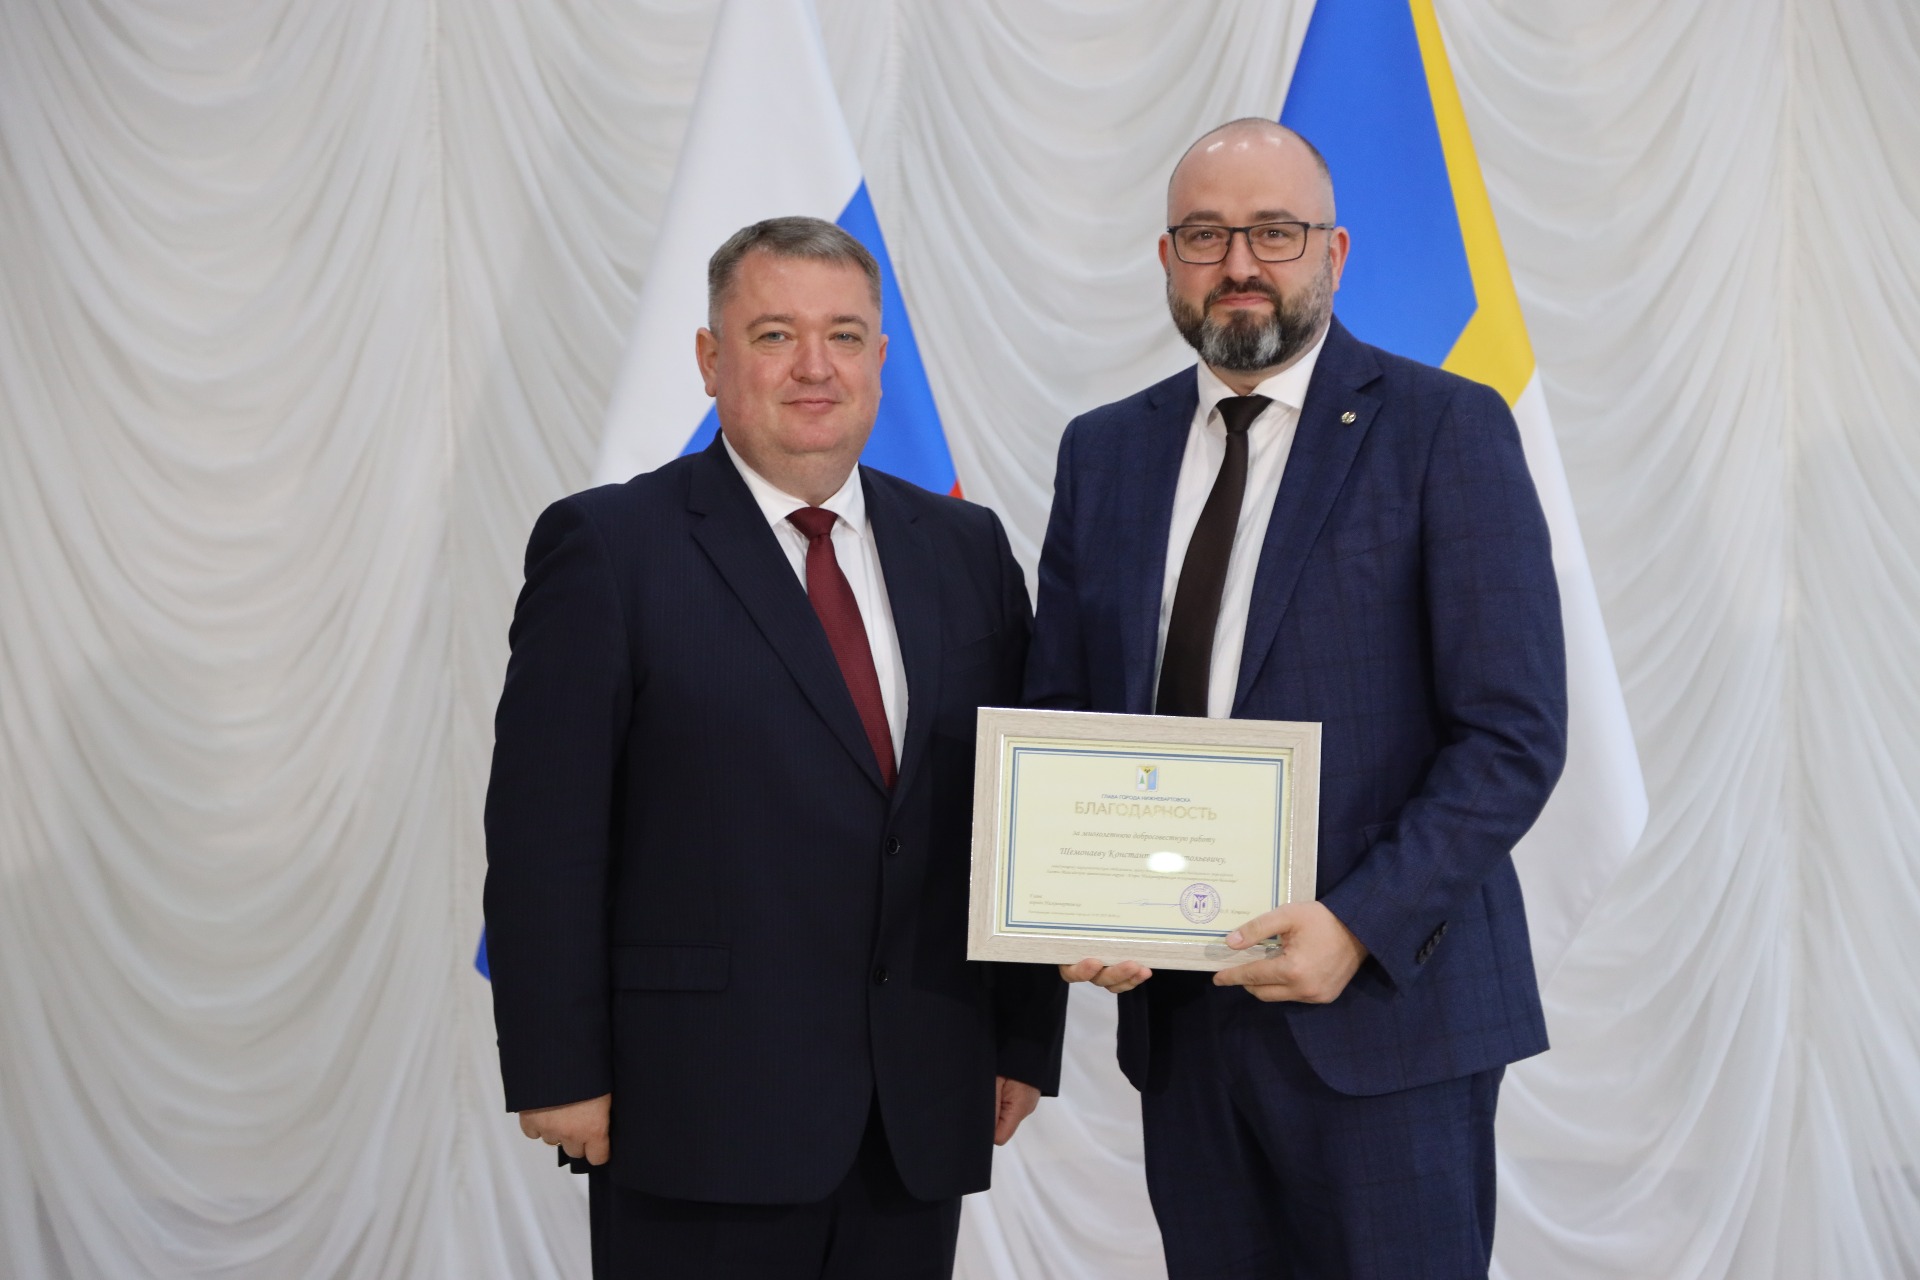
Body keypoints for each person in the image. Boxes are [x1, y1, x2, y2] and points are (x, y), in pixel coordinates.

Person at [1029, 119, 1568, 1278]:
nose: (1239, 262)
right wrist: (1081, 898)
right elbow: (1067, 713)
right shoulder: (1104, 452)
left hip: (1387, 1021)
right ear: (1165, 256)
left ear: (1335, 250)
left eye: (1275, 232)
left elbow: (1512, 733)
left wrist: (1357, 924)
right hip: (1185, 1028)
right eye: (1205, 234)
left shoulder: (1445, 428)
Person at [483, 216, 1066, 1280]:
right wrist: (558, 1066)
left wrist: (1024, 1036)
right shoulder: (608, 546)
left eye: (842, 336)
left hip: (919, 1101)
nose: (814, 366)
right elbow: (543, 834)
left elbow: (1010, 802)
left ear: (879, 359)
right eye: (773, 335)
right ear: (711, 360)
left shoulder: (966, 547)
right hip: (697, 1106)